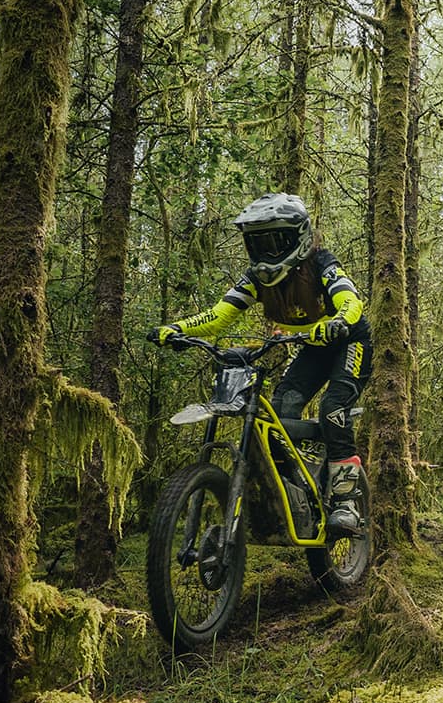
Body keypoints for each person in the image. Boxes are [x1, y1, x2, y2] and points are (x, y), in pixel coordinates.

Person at [157, 193, 370, 537]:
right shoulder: (256, 279)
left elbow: (350, 298)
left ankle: (345, 502)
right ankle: (297, 486)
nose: (266, 253)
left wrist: (340, 319)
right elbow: (219, 315)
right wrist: (178, 329)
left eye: (275, 242)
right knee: (283, 406)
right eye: (257, 244)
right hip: (313, 348)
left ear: (298, 237)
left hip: (349, 341)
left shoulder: (321, 263)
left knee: (333, 407)